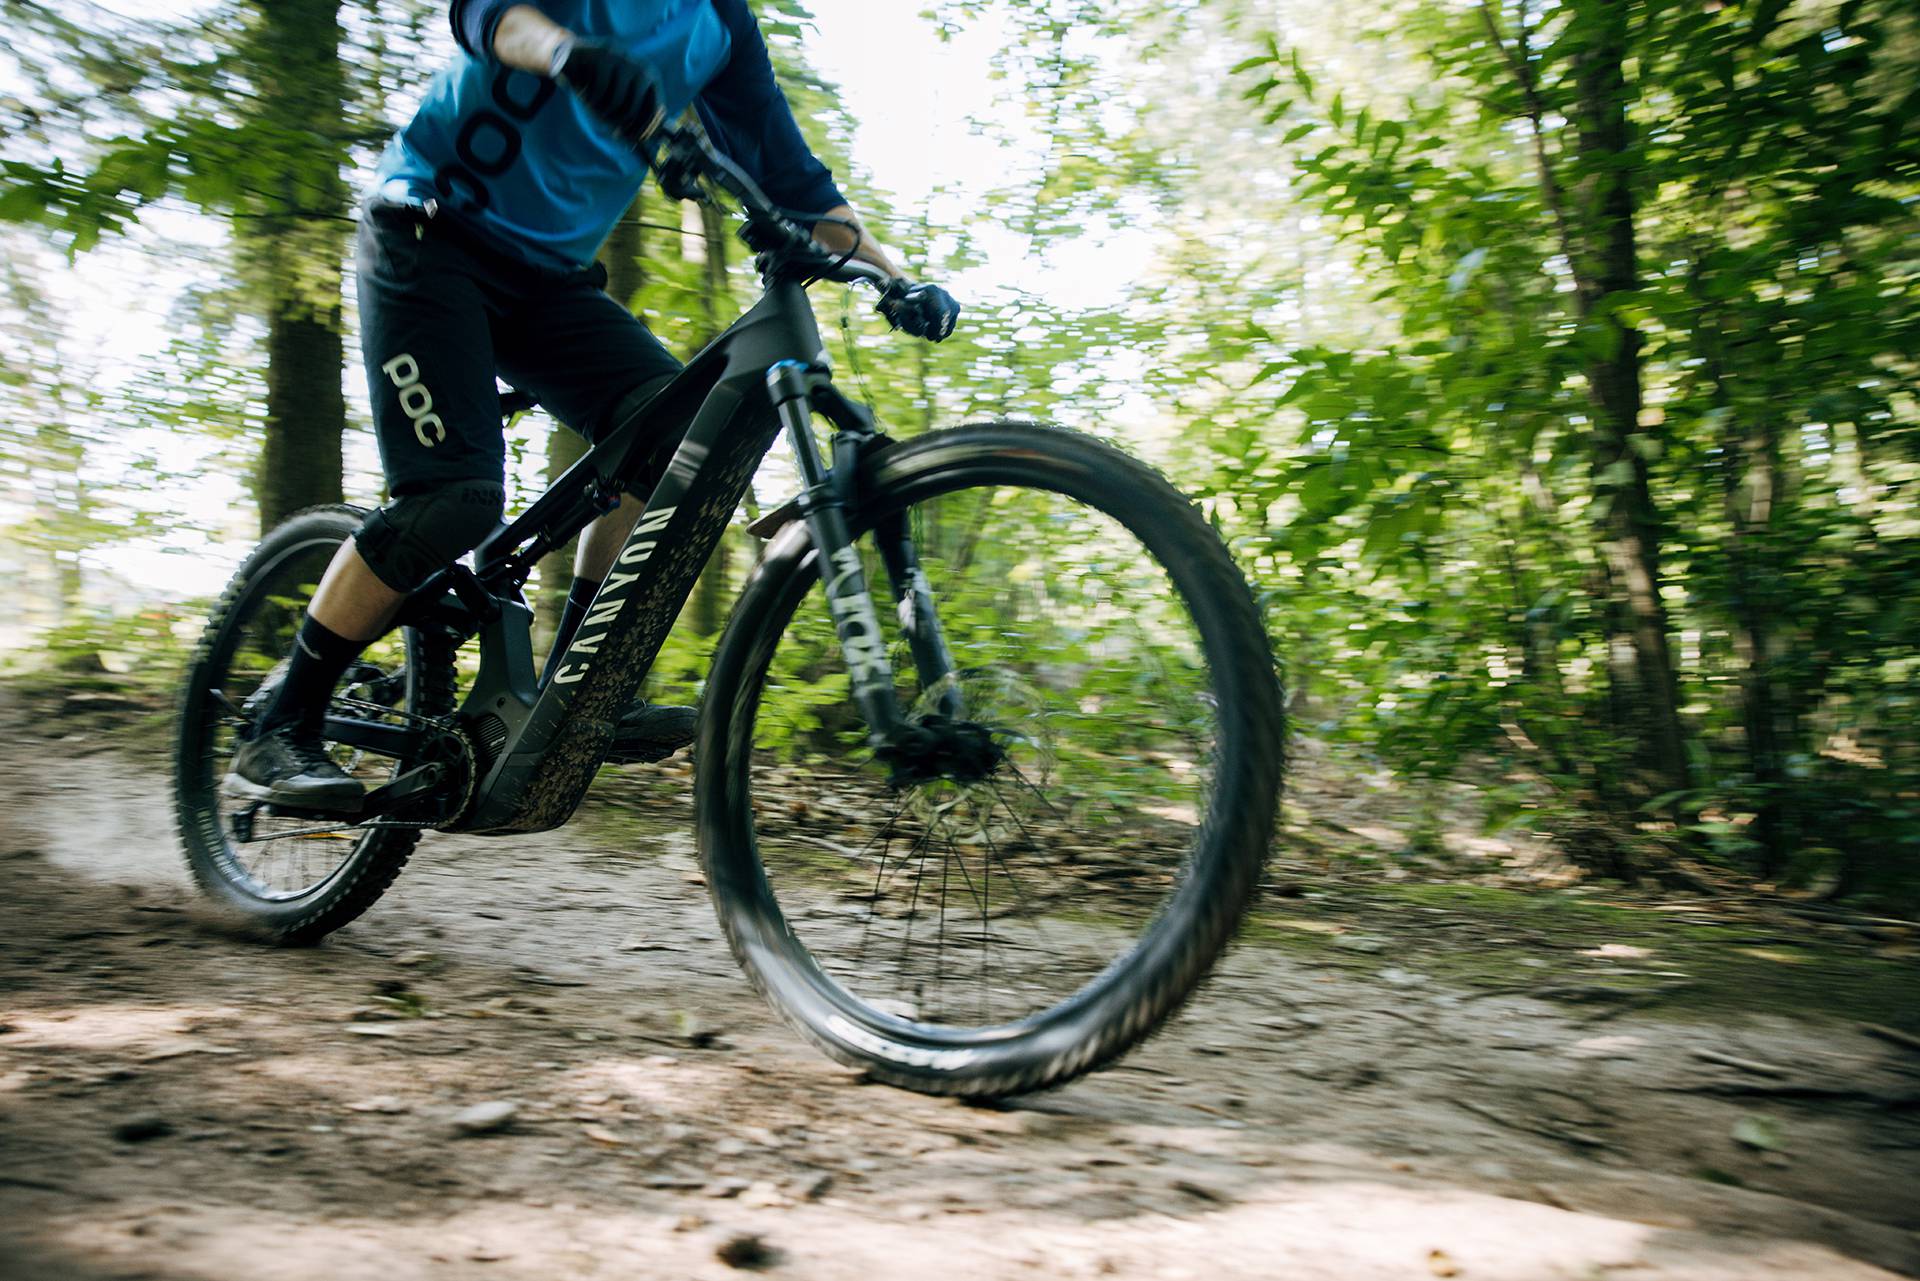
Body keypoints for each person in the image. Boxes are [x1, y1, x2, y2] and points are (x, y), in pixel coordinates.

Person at [224, 0, 960, 813]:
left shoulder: (720, 26)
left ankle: (582, 687)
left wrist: (895, 278)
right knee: (455, 501)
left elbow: (794, 183)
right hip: (428, 234)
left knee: (674, 429)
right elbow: (485, 15)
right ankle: (281, 720)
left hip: (549, 282)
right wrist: (569, 53)